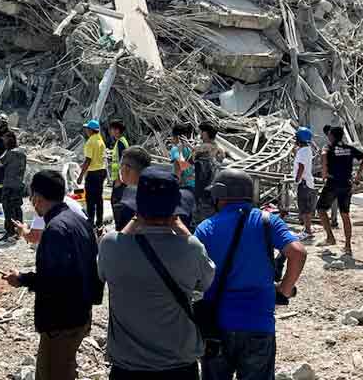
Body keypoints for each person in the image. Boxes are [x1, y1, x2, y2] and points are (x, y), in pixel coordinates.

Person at [99, 166, 216, 379]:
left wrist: (136, 219)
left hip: (127, 367)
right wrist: (183, 229)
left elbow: (104, 267)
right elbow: (206, 281)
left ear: (137, 207)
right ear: (175, 209)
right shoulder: (191, 249)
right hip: (179, 366)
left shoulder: (110, 246)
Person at [195, 169, 307, 380]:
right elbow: (298, 253)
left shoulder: (205, 228)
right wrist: (284, 289)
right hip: (258, 324)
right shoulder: (267, 221)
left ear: (219, 195)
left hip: (216, 327)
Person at [3, 171, 103, 380]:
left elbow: (54, 281)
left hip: (61, 322)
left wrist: (21, 278)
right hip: (80, 313)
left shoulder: (55, 229)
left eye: (32, 199)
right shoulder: (79, 221)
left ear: (37, 198)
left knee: (51, 373)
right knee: (65, 368)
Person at [318, 126, 363, 255]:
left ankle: (330, 237)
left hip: (333, 183)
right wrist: (357, 176)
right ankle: (347, 246)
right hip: (346, 184)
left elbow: (323, 157)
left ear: (332, 136)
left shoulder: (328, 148)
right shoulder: (349, 148)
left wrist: (324, 173)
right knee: (345, 215)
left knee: (321, 209)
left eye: (329, 135)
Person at [192, 121, 225, 224]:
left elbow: (188, 164)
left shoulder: (199, 149)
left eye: (201, 132)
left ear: (205, 133)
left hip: (201, 193)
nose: (200, 135)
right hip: (215, 191)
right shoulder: (220, 150)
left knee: (201, 223)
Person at [76, 120, 107, 228]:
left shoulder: (90, 142)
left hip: (93, 173)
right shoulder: (100, 140)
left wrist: (80, 175)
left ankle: (90, 222)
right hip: (102, 171)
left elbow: (88, 160)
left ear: (91, 130)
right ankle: (99, 222)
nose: (86, 131)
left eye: (87, 129)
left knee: (90, 199)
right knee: (99, 199)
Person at [113, 146, 151, 232]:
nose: (120, 168)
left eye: (121, 164)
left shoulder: (126, 204)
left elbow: (121, 238)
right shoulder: (156, 192)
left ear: (126, 168)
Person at [0, 131, 27, 242]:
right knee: (17, 208)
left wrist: (5, 151)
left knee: (8, 208)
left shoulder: (9, 153)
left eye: (5, 140)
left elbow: (0, 163)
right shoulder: (22, 152)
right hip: (19, 184)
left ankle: (10, 231)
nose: (4, 142)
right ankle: (19, 231)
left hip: (9, 184)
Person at [293, 127, 316, 239]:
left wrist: (297, 180)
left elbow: (301, 166)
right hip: (308, 182)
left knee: (305, 208)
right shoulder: (307, 149)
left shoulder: (302, 151)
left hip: (304, 183)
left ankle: (307, 231)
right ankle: (308, 228)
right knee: (307, 207)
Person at [170, 123, 196, 191]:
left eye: (172, 136)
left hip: (183, 186)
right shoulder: (189, 149)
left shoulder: (175, 149)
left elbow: (178, 169)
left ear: (177, 137)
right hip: (192, 184)